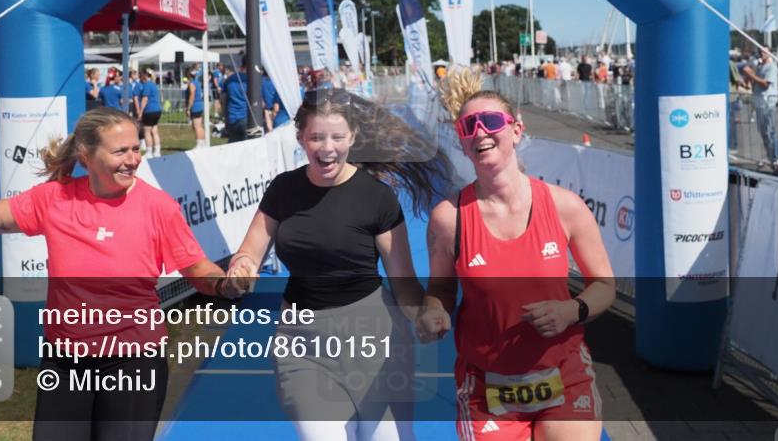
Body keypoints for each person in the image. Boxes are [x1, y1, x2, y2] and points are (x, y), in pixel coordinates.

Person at [0, 107, 231, 440]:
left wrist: (226, 283)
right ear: (86, 156)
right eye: (120, 151)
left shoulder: (158, 207)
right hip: (65, 360)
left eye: (136, 148)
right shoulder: (54, 197)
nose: (132, 160)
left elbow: (197, 268)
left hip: (133, 359)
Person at [223, 89, 449, 440]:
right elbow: (249, 252)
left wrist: (422, 313)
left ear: (352, 138)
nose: (327, 148)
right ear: (301, 138)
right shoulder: (283, 189)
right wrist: (241, 268)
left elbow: (403, 282)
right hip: (302, 344)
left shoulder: (377, 198)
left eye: (337, 137)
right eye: (316, 137)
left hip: (374, 340)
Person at [419, 69, 615, 441]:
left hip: (564, 375)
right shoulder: (448, 218)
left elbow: (604, 285)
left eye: (491, 121)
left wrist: (572, 310)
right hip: (487, 386)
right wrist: (432, 311)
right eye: (468, 126)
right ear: (462, 143)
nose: (480, 131)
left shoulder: (565, 207)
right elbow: (440, 290)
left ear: (516, 130)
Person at [742, 49, 778, 167]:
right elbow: (753, 82)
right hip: (759, 103)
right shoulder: (759, 67)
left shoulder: (772, 67)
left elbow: (765, 84)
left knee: (770, 131)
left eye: (764, 52)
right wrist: (749, 76)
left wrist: (752, 75)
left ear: (769, 53)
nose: (761, 54)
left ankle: (776, 157)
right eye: (760, 52)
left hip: (768, 103)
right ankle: (769, 156)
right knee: (764, 132)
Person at [222, 57, 249, 143]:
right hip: (246, 118)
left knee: (233, 146)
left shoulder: (229, 80)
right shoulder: (251, 80)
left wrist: (225, 119)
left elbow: (224, 101)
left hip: (232, 118)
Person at [137, 68, 163, 158]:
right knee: (154, 131)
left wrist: (140, 112)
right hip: (157, 110)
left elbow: (145, 99)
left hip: (149, 110)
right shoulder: (153, 85)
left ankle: (149, 152)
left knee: (147, 132)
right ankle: (157, 152)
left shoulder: (147, 85)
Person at [186, 65, 206, 148]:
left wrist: (188, 108)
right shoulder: (197, 82)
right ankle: (203, 143)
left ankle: (199, 144)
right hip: (199, 105)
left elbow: (192, 95)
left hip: (195, 106)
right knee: (200, 126)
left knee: (196, 126)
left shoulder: (192, 84)